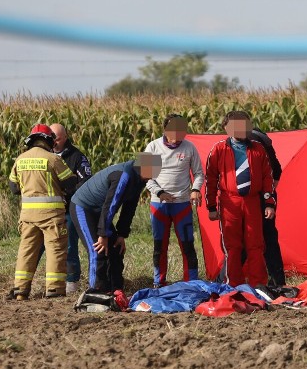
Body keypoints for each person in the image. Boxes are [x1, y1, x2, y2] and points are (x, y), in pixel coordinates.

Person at [69, 153, 160, 293]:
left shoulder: (140, 179)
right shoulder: (123, 176)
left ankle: (115, 291)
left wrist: (121, 234)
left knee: (116, 250)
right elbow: (111, 205)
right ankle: (95, 293)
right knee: (98, 251)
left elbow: (130, 207)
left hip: (100, 212)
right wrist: (103, 234)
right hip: (83, 206)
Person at [205, 111, 276, 287]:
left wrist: (269, 203)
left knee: (256, 244)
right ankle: (233, 285)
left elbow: (268, 177)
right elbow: (211, 179)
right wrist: (211, 206)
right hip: (229, 202)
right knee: (232, 246)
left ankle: (258, 284)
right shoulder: (218, 149)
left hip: (252, 202)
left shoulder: (258, 149)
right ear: (226, 128)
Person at [8, 124, 77, 299]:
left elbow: (14, 188)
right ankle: (54, 289)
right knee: (55, 250)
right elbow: (70, 184)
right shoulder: (53, 159)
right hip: (51, 216)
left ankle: (20, 290)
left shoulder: (20, 160)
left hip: (28, 216)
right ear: (48, 140)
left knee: (26, 250)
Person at [215, 125, 286, 290]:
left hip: (244, 198)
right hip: (262, 195)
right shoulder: (263, 142)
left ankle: (225, 283)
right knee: (267, 239)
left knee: (238, 242)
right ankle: (277, 282)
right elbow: (277, 171)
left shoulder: (237, 144)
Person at [144, 114, 204, 286]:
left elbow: (199, 173)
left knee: (187, 245)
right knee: (159, 246)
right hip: (159, 204)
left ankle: (191, 282)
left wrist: (195, 189)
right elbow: (146, 176)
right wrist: (160, 192)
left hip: (182, 205)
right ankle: (159, 282)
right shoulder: (152, 146)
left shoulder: (190, 147)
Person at [49, 123, 93, 295]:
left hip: (68, 209)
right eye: (51, 139)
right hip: (49, 210)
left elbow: (85, 181)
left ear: (65, 137)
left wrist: (69, 193)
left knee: (69, 246)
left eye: (57, 139)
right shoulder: (45, 155)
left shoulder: (77, 157)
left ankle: (71, 282)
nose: (54, 143)